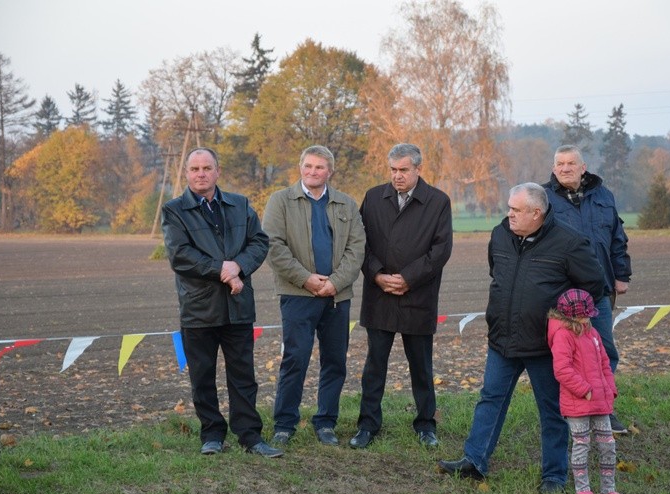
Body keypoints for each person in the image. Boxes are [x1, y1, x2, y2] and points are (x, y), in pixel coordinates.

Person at [437, 182, 604, 492]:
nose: (508, 215)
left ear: (536, 213)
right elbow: (496, 274)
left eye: (515, 210)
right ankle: (474, 461)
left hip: (545, 345)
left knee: (551, 409)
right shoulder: (500, 235)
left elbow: (594, 285)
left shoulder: (569, 242)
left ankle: (554, 476)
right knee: (490, 399)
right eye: (509, 208)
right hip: (502, 337)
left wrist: (564, 318)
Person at [161, 147, 283, 458]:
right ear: (187, 174)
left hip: (238, 307)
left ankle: (250, 436)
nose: (200, 174)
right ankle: (212, 434)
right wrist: (224, 271)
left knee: (243, 377)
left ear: (218, 171)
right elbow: (181, 255)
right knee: (202, 377)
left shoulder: (240, 204)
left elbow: (259, 242)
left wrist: (238, 266)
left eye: (206, 168)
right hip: (198, 310)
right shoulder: (174, 210)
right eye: (194, 169)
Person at [349, 143, 453, 449]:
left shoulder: (437, 202)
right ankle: (368, 424)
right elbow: (360, 243)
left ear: (418, 169)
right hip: (379, 295)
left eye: (404, 170)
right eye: (393, 170)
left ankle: (425, 424)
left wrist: (408, 278)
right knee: (374, 366)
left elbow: (441, 249)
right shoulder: (372, 197)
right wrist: (378, 275)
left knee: (421, 366)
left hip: (417, 297)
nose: (398, 176)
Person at [262, 145, 365, 447]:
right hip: (297, 295)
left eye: (319, 167)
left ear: (330, 171)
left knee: (334, 361)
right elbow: (273, 246)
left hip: (336, 297)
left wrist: (335, 283)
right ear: (300, 168)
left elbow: (356, 249)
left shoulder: (346, 204)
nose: (313, 172)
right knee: (295, 359)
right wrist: (306, 279)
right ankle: (284, 423)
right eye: (308, 166)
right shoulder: (280, 201)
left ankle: (326, 422)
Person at [543, 145, 632, 434]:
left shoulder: (604, 196)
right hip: (560, 294)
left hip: (599, 291)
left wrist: (622, 274)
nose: (565, 168)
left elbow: (617, 238)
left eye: (571, 163)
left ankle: (604, 408)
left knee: (604, 351)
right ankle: (565, 414)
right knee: (563, 358)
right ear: (554, 167)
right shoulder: (543, 198)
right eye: (560, 163)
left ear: (584, 167)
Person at [547, 288, 634, 494]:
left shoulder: (592, 333)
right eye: (585, 315)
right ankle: (582, 492)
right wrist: (584, 390)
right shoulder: (563, 335)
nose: (588, 318)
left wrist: (609, 389)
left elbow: (604, 363)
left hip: (600, 402)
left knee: (608, 446)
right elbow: (562, 369)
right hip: (578, 403)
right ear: (571, 315)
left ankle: (608, 490)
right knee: (581, 446)